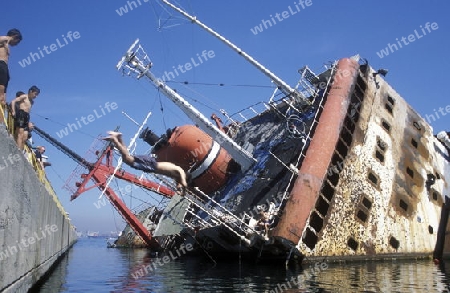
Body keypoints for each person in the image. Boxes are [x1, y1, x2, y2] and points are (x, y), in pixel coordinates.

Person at [103, 131, 189, 194]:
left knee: (128, 158)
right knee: (128, 160)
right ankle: (115, 139)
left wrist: (179, 189)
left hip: (151, 165)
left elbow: (179, 185)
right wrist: (184, 192)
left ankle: (119, 137)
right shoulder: (180, 171)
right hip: (152, 165)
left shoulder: (177, 176)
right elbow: (184, 184)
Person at [0, 29, 22, 126]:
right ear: (15, 37)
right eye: (17, 42)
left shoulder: (6, 43)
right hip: (1, 65)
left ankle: (1, 123)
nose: (16, 45)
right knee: (1, 95)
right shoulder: (5, 39)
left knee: (3, 99)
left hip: (5, 68)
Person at [11, 86, 40, 150]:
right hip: (21, 114)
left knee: (25, 136)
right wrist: (13, 111)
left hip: (27, 116)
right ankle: (18, 151)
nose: (36, 96)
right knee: (20, 134)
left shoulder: (32, 102)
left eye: (37, 95)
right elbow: (13, 101)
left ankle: (21, 151)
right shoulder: (24, 96)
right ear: (30, 91)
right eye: (35, 94)